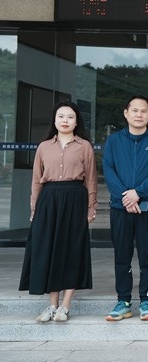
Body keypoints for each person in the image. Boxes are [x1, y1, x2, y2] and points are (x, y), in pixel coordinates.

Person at [19, 101, 97, 323]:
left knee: (72, 250)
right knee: (49, 250)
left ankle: (65, 306)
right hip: (49, 200)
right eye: (61, 116)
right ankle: (52, 305)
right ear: (54, 120)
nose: (65, 120)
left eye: (70, 117)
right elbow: (36, 181)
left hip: (75, 199)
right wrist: (34, 208)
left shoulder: (84, 146)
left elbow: (91, 180)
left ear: (76, 121)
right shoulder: (44, 147)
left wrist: (91, 207)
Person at [102, 95, 148, 322]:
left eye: (143, 111)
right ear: (126, 113)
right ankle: (123, 301)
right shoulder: (114, 141)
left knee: (147, 255)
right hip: (120, 207)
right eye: (135, 110)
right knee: (122, 255)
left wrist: (138, 193)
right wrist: (126, 198)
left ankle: (146, 301)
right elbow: (108, 170)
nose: (139, 115)